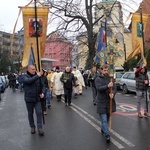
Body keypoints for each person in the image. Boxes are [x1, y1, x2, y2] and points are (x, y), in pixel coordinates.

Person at [95, 64, 116, 142]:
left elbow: (114, 88)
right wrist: (107, 86)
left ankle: (103, 129)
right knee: (103, 119)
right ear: (101, 70)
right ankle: (107, 135)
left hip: (109, 101)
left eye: (107, 70)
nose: (106, 72)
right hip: (101, 101)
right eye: (104, 70)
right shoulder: (97, 79)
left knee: (106, 119)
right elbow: (99, 88)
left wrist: (113, 93)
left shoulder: (110, 78)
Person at [22, 65, 45, 136]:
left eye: (34, 69)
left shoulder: (38, 76)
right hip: (29, 99)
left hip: (37, 98)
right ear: (28, 70)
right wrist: (37, 76)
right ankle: (32, 126)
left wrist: (43, 93)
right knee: (30, 113)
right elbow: (29, 81)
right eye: (32, 69)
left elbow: (43, 85)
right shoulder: (25, 76)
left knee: (39, 112)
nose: (34, 70)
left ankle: (40, 128)